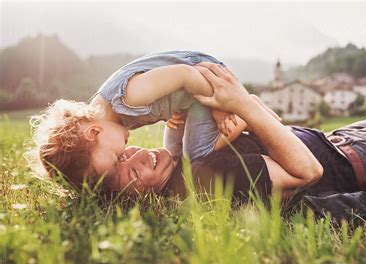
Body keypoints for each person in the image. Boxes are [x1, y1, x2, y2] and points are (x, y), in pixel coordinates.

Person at [101, 63, 366, 202]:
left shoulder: (186, 157)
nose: (138, 156)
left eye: (126, 155)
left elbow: (272, 120)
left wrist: (246, 115)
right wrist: (245, 107)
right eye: (133, 173)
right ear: (142, 197)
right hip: (361, 165)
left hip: (340, 141)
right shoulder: (199, 179)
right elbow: (307, 171)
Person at [28, 51, 279, 189]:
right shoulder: (111, 118)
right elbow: (168, 90)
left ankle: (249, 112)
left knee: (197, 155)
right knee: (173, 149)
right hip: (192, 96)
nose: (125, 153)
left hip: (207, 77)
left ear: (94, 133)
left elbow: (184, 73)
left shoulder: (128, 97)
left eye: (117, 156)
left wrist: (223, 105)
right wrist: (175, 108)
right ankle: (247, 111)